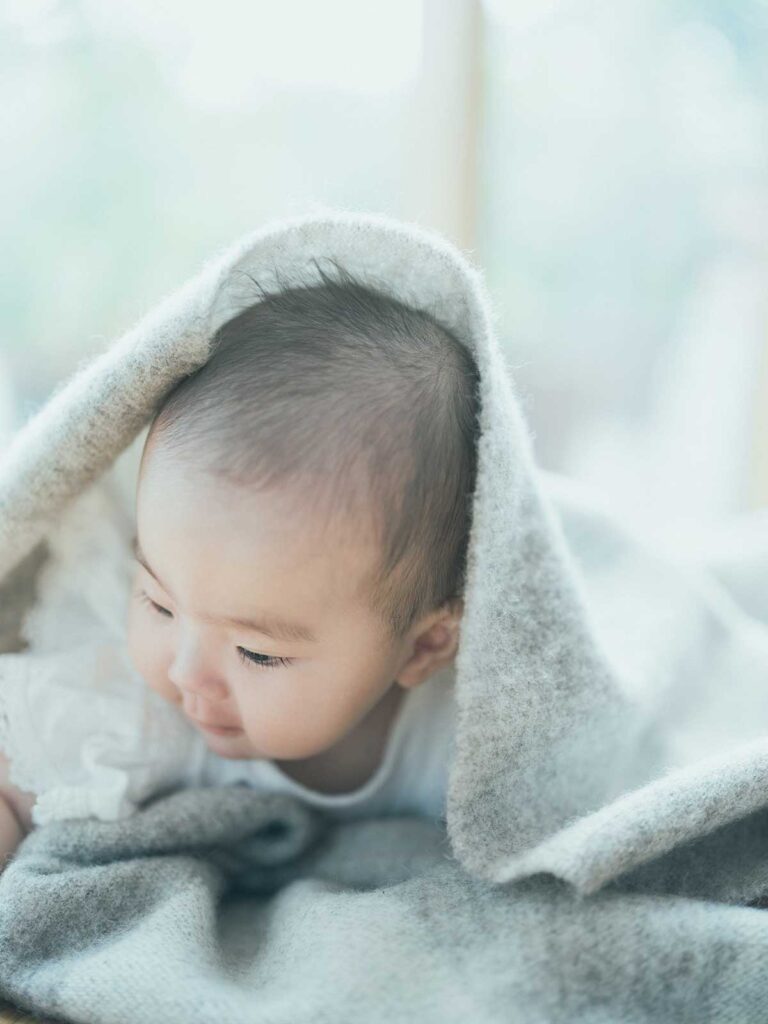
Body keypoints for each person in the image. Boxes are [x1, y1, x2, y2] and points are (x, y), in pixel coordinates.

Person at [0, 259, 481, 867]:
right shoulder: (135, 704)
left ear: (423, 647)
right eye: (157, 602)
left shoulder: (465, 738)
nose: (184, 672)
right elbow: (12, 784)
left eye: (257, 652)